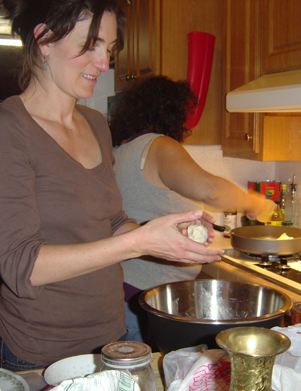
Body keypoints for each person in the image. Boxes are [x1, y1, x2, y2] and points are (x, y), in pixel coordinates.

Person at [0, 0, 223, 371]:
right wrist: (137, 242)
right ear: (44, 40)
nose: (104, 63)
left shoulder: (95, 124)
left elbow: (113, 220)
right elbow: (22, 267)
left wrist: (162, 237)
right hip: (39, 351)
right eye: (90, 46)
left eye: (109, 48)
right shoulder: (5, 130)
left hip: (111, 338)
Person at [109, 75, 267, 344]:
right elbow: (211, 190)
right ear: (172, 112)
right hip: (146, 300)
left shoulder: (123, 149)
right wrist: (256, 203)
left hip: (125, 292)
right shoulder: (158, 146)